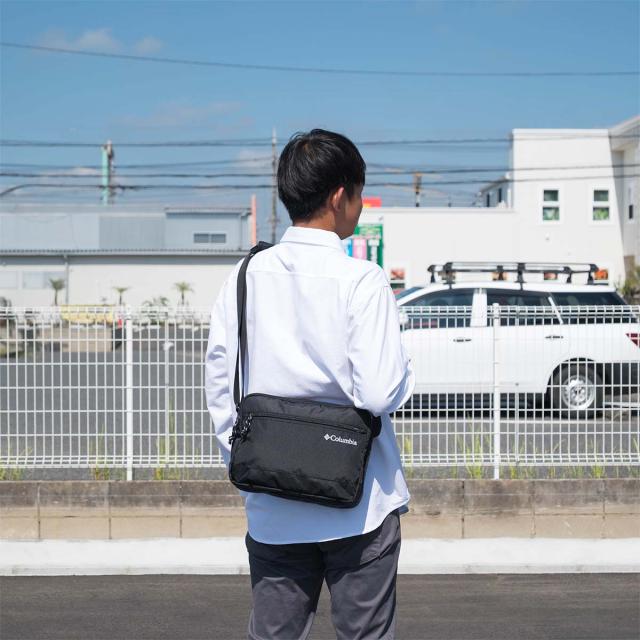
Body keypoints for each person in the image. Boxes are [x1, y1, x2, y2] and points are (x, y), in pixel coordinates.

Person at [205, 128, 414, 640]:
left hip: (273, 503)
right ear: (340, 196)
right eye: (359, 193)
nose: (359, 205)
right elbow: (378, 393)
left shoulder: (245, 275)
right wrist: (405, 368)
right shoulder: (362, 280)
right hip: (359, 503)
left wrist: (247, 460)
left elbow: (220, 381)